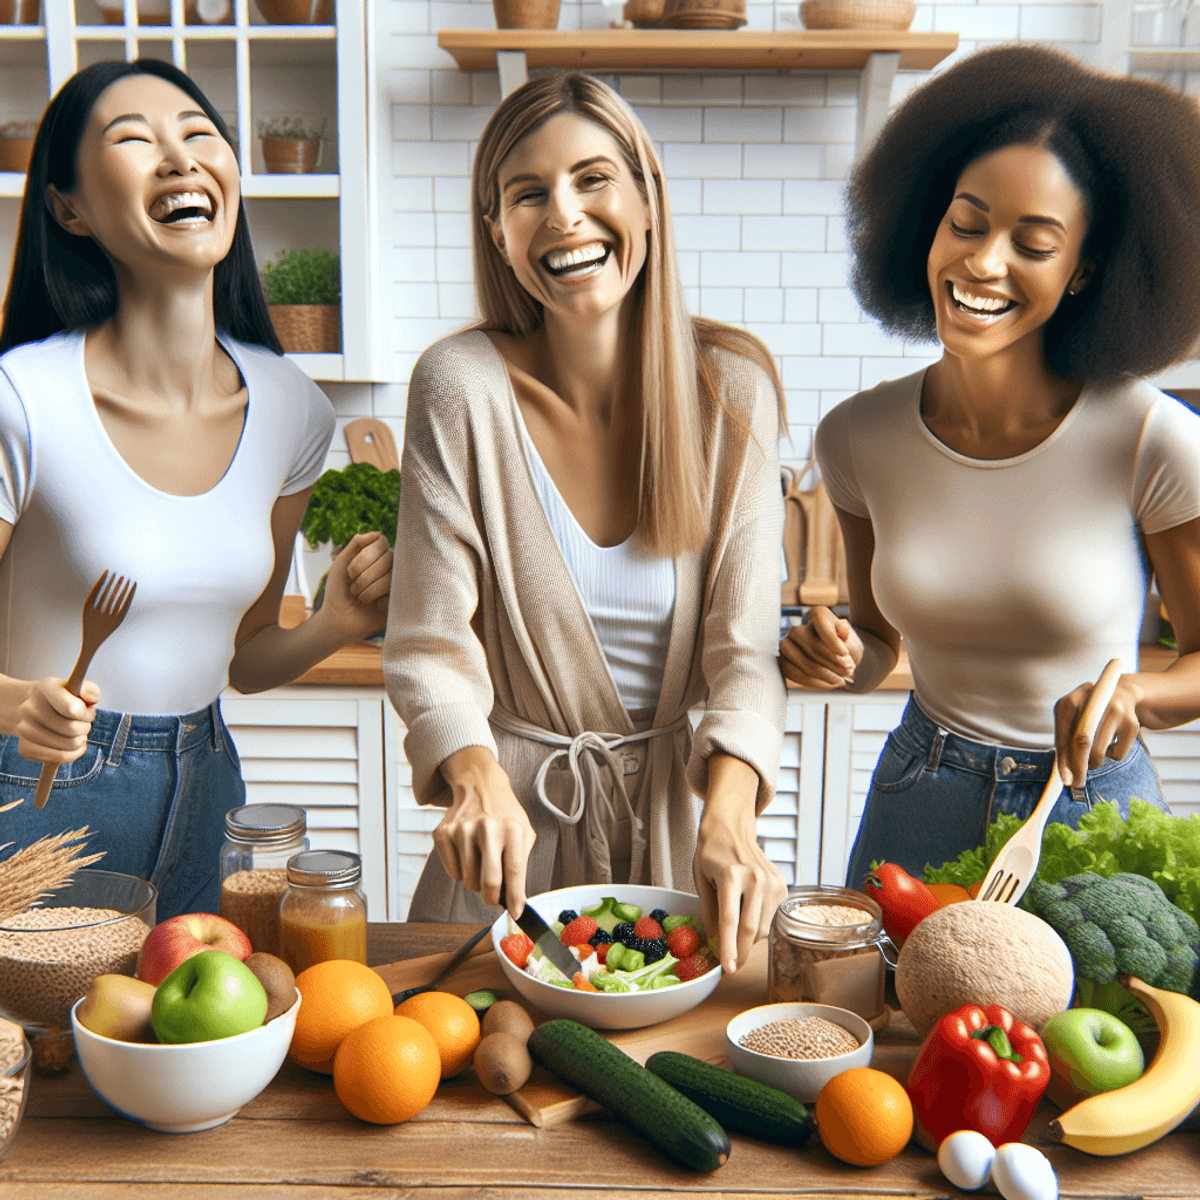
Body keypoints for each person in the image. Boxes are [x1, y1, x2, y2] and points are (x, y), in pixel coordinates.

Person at [385, 72, 788, 974]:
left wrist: (729, 816)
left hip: (685, 849)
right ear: (497, 229)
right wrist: (474, 774)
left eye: (593, 179)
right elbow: (428, 643)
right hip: (510, 854)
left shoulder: (734, 393)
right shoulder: (459, 385)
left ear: (646, 197)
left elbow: (743, 655)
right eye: (528, 194)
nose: (563, 214)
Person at [779, 44, 1200, 891]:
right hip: (918, 788)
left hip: (1088, 799)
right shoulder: (859, 436)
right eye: (966, 224)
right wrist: (827, 655)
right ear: (928, 224)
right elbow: (877, 642)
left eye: (1032, 243)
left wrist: (1138, 700)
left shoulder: (1153, 437)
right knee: (899, 1023)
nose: (983, 262)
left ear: (1083, 270)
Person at [0, 59, 392, 919]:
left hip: (211, 786)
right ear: (69, 207)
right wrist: (20, 704)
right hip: (44, 789)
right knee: (35, 1051)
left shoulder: (293, 409)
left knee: (195, 1037)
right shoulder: (21, 400)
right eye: (135, 140)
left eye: (199, 135)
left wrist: (335, 625)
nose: (179, 159)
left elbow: (246, 658)